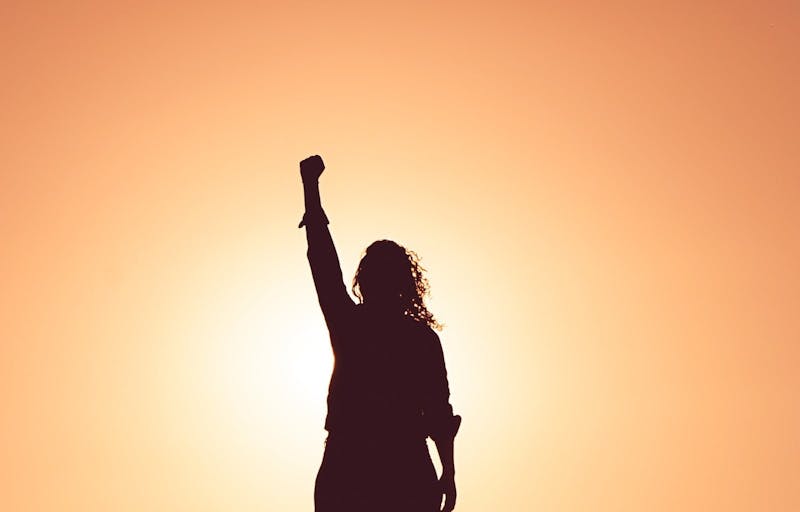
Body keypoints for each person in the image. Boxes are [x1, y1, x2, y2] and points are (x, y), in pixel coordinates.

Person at [298, 155, 461, 512]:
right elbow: (322, 260)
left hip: (373, 466)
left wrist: (311, 189)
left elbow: (437, 412)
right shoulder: (412, 337)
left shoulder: (358, 326)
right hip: (376, 464)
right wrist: (448, 471)